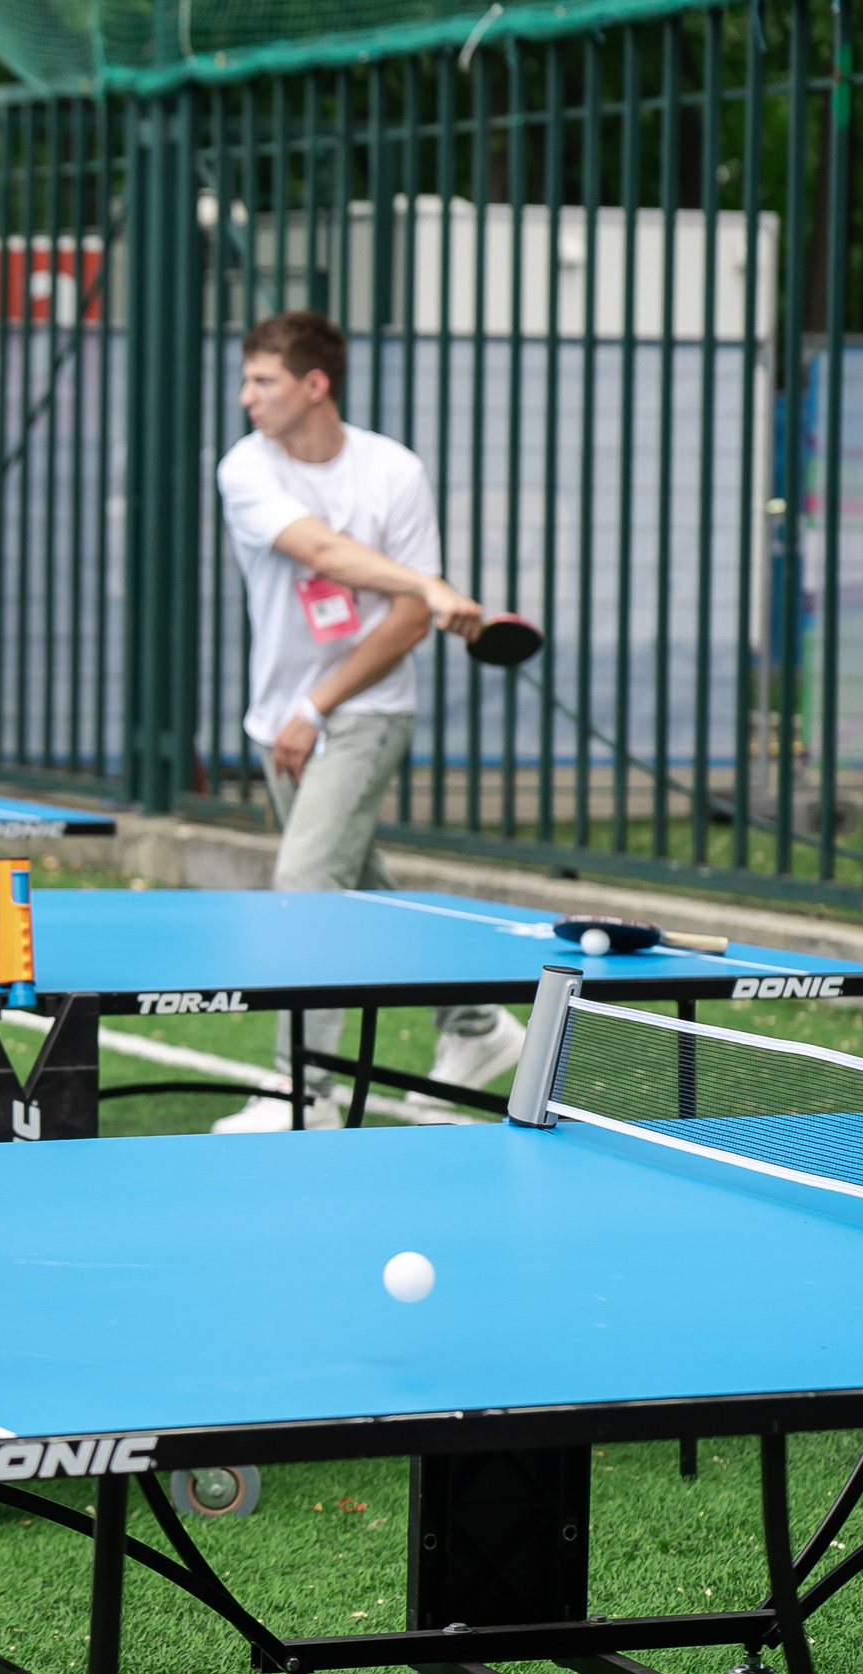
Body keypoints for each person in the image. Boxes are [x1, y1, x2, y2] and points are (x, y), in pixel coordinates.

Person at [208, 308, 519, 1133]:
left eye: (263, 382)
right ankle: (479, 1025)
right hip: (278, 719)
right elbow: (325, 555)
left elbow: (407, 625)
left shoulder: (393, 472)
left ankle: (301, 1090)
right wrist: (427, 583)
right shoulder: (247, 468)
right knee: (361, 895)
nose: (247, 398)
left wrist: (323, 703)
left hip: (368, 711)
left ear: (316, 385)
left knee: (307, 885)